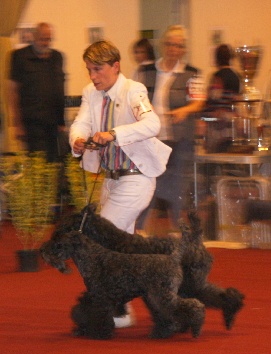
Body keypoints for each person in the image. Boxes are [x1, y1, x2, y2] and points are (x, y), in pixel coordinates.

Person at [69, 40, 171, 327]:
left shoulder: (134, 90)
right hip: (110, 181)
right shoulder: (91, 92)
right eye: (89, 69)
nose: (92, 76)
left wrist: (113, 133)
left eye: (98, 69)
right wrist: (77, 140)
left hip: (137, 178)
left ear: (116, 66)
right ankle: (128, 308)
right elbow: (81, 123)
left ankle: (112, 309)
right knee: (121, 251)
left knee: (100, 239)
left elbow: (152, 125)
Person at [136, 25, 205, 235]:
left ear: (183, 49)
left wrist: (185, 110)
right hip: (153, 137)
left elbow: (199, 102)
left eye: (178, 46)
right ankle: (140, 229)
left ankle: (178, 229)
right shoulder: (146, 71)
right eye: (170, 44)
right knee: (148, 180)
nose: (173, 49)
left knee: (177, 184)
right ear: (163, 45)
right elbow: (136, 98)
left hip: (180, 137)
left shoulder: (192, 73)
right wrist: (147, 108)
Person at [8, 22, 66, 162]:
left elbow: (60, 88)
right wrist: (18, 124)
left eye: (48, 39)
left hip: (53, 122)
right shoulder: (19, 56)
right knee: (37, 163)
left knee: (54, 163)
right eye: (42, 39)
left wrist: (61, 121)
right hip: (31, 124)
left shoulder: (57, 57)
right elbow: (12, 91)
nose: (46, 43)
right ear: (33, 37)